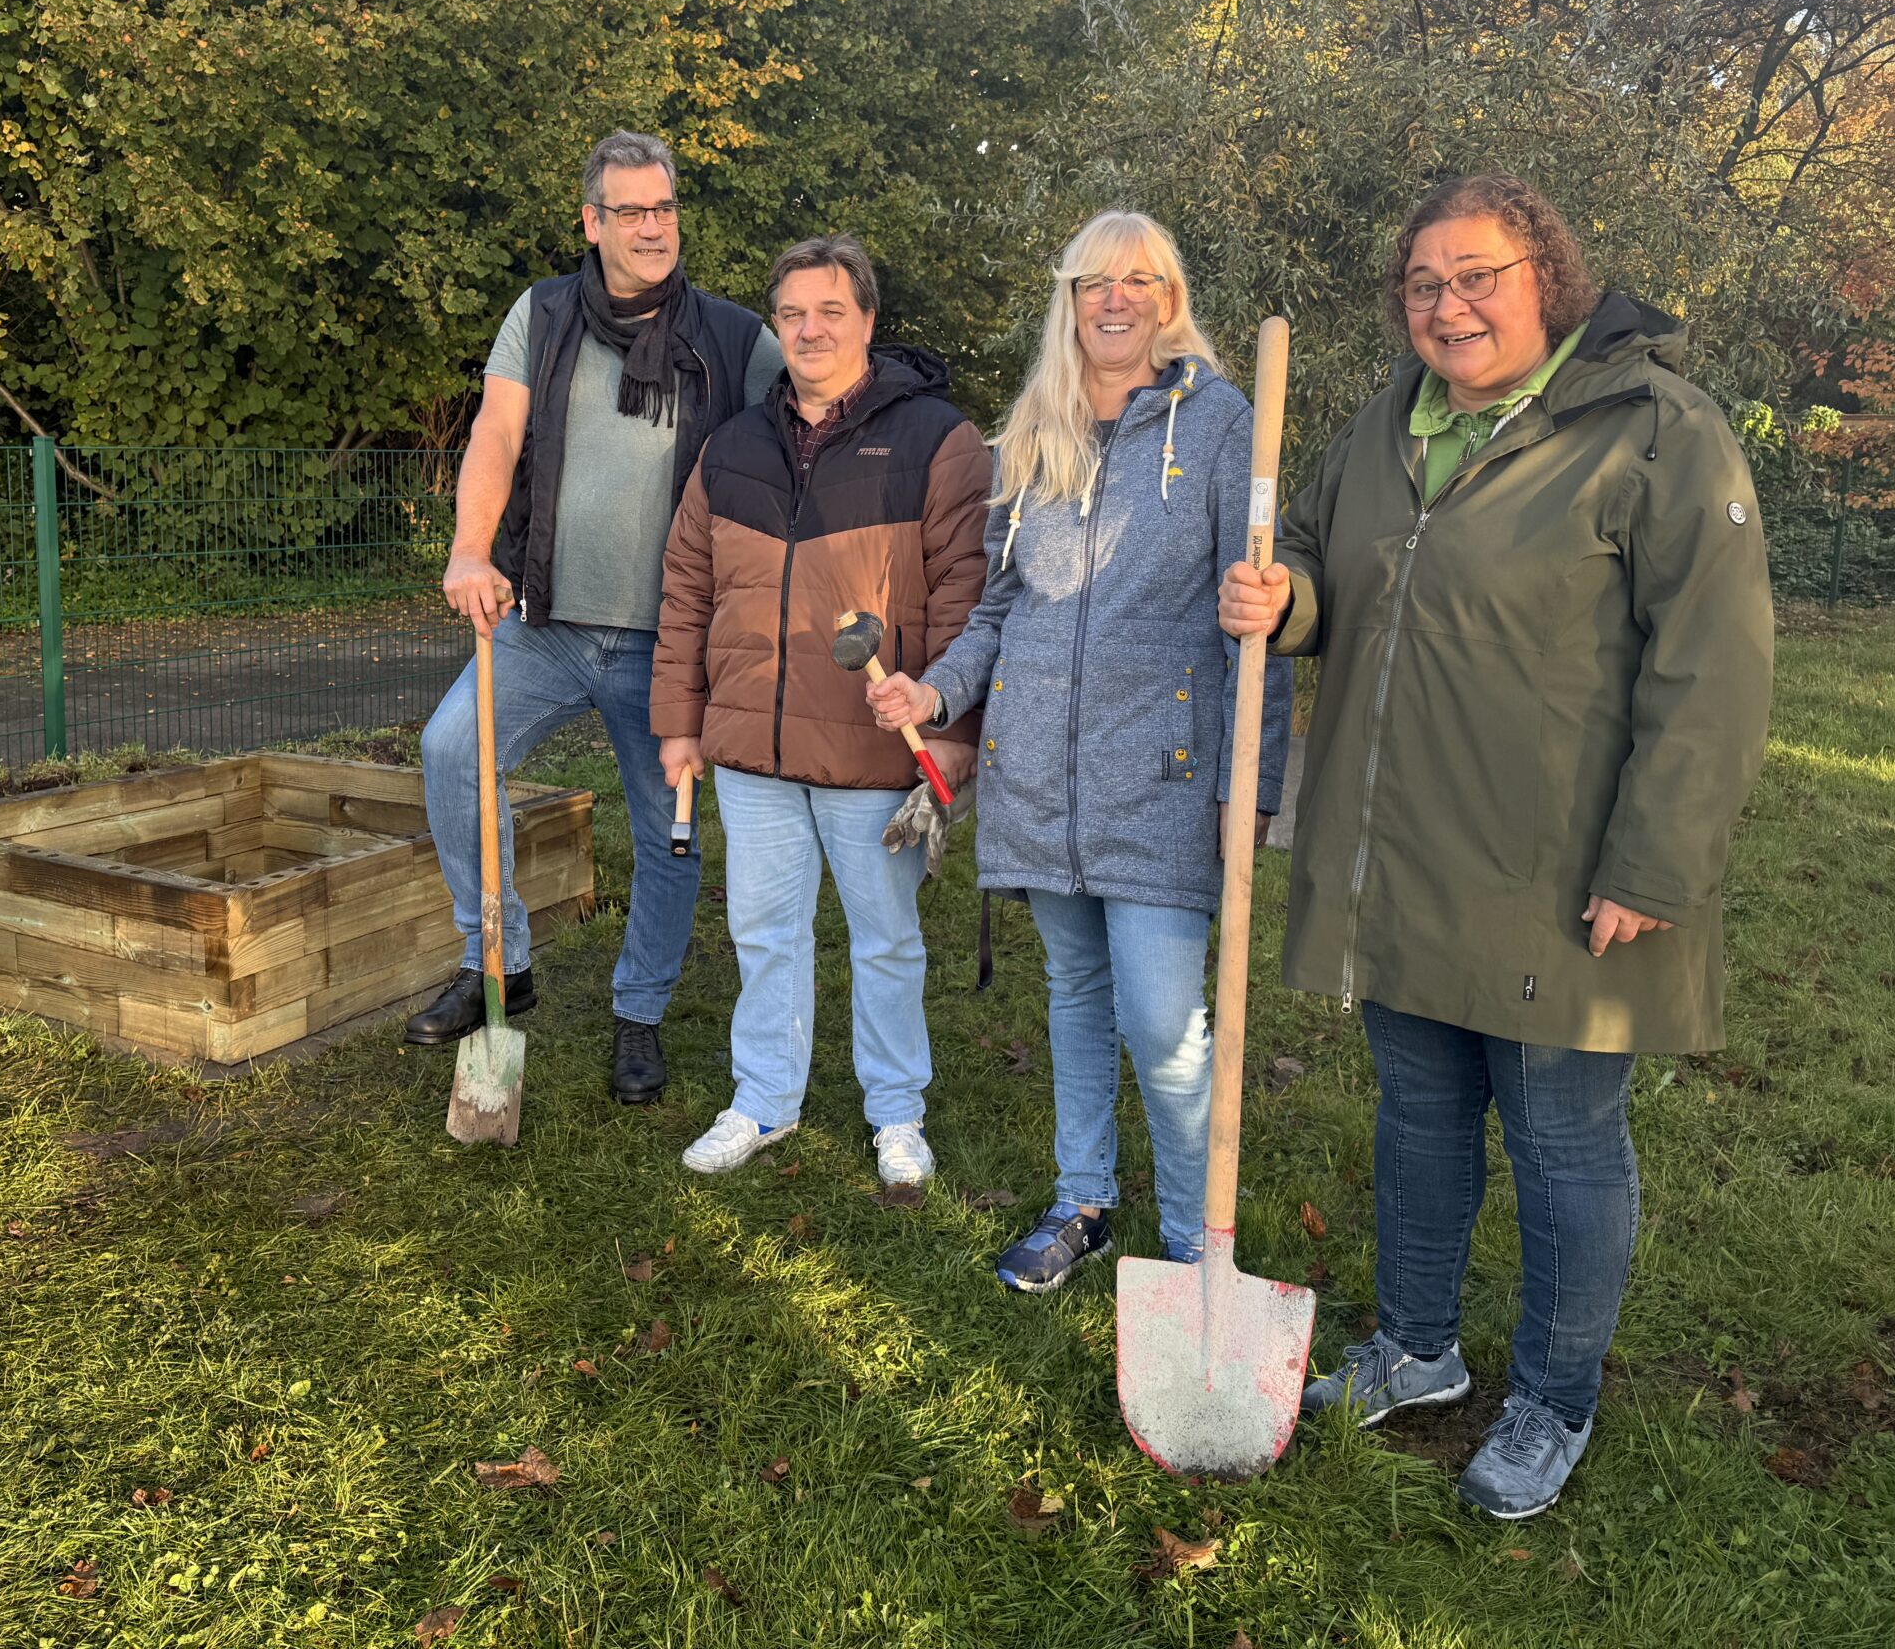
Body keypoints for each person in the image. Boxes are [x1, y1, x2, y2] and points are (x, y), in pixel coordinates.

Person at [1218, 172, 1773, 1519]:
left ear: (1552, 280)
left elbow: (1717, 664)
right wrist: (1283, 600)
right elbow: (1326, 581)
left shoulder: (1652, 432)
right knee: (1418, 1117)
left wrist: (1654, 861)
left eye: (1480, 276)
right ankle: (1413, 1348)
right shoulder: (1383, 427)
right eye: (1424, 282)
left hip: (1559, 868)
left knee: (1564, 1141)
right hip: (1398, 850)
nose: (1448, 305)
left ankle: (1552, 1399)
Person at [867, 210, 1291, 1287]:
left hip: (1161, 776)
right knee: (1076, 997)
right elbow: (997, 609)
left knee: (1162, 1019)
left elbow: (1258, 623)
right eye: (1094, 282)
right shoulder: (1031, 436)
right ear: (1068, 301)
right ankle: (1082, 1198)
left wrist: (1257, 783)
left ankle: (1198, 1242)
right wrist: (937, 687)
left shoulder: (1224, 425)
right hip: (1039, 774)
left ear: (1168, 298)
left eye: (1138, 280)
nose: (1115, 299)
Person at [411, 131, 784, 1103]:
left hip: (670, 646)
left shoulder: (734, 339)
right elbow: (494, 432)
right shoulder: (540, 317)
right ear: (592, 221)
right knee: (453, 750)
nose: (653, 226)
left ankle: (639, 1017)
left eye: (664, 207)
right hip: (547, 620)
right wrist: (467, 549)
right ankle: (498, 961)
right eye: (631, 210)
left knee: (668, 834)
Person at [650, 234, 989, 1187]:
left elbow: (969, 597)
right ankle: (764, 1099)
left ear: (868, 322)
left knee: (885, 940)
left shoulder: (936, 441)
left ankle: (895, 1113)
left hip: (875, 747)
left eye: (830, 310)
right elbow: (686, 590)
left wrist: (954, 730)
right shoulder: (734, 446)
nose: (809, 329)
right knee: (763, 932)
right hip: (751, 745)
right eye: (792, 313)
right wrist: (680, 720)